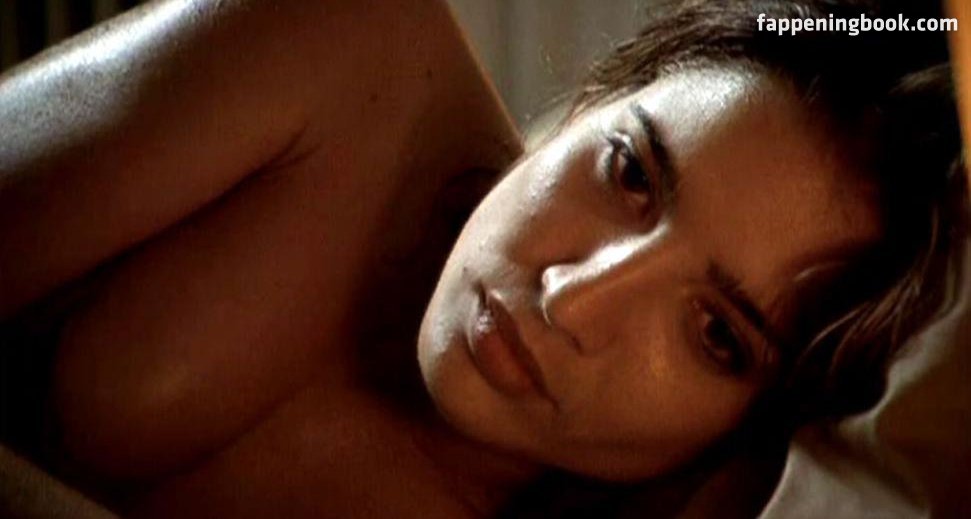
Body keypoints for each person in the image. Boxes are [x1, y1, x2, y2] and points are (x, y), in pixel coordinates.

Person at [0, 0, 963, 517]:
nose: (572, 297)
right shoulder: (344, 45)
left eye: (715, 334)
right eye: (629, 171)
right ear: (594, 98)